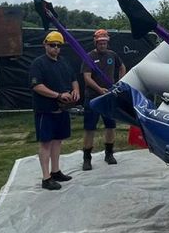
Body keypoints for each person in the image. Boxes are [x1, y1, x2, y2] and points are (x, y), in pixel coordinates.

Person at [29, 31, 79, 191]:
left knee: (58, 141)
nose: (56, 48)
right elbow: (37, 86)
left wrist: (75, 91)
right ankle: (46, 178)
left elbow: (74, 79)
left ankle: (55, 171)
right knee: (46, 143)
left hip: (62, 109)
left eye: (59, 46)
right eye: (52, 45)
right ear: (45, 44)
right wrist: (58, 95)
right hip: (46, 110)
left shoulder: (63, 62)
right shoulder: (38, 63)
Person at [81, 29, 126, 170]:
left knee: (111, 126)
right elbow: (87, 78)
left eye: (105, 42)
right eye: (100, 42)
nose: (103, 45)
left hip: (109, 97)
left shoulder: (112, 55)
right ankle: (87, 159)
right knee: (90, 128)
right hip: (93, 97)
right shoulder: (89, 56)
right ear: (96, 42)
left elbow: (122, 67)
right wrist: (100, 89)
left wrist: (119, 83)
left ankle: (109, 154)